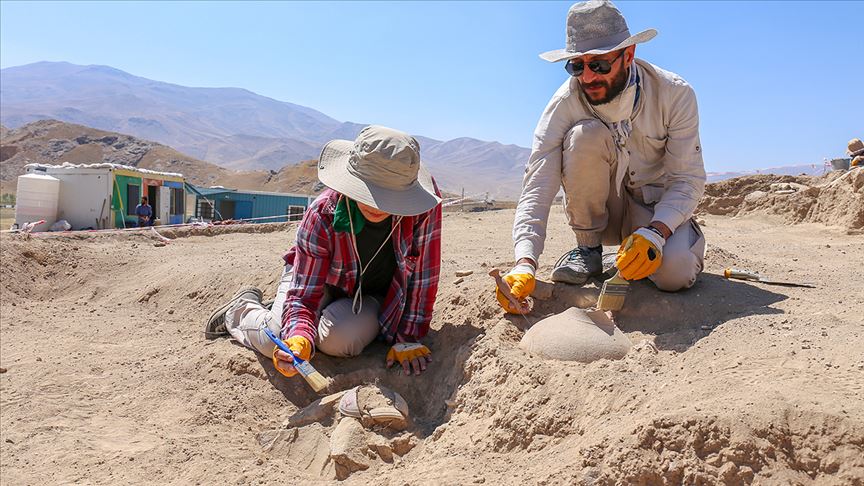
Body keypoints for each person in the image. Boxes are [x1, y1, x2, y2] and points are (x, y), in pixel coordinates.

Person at [498, 0, 707, 313]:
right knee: (585, 135)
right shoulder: (564, 104)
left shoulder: (674, 94)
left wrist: (656, 233)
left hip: (654, 212)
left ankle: (667, 244)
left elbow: (687, 179)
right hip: (604, 212)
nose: (587, 77)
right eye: (576, 66)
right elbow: (537, 185)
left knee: (675, 274)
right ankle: (589, 251)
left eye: (599, 65)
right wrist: (525, 263)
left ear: (628, 56)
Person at [205, 125, 443, 377]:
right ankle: (240, 311)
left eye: (388, 196)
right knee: (276, 337)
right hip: (318, 281)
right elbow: (305, 295)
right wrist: (299, 337)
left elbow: (424, 276)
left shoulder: (423, 206)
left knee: (340, 341)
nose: (377, 204)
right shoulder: (322, 212)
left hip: (373, 294)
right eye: (370, 192)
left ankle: (298, 314)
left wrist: (409, 337)